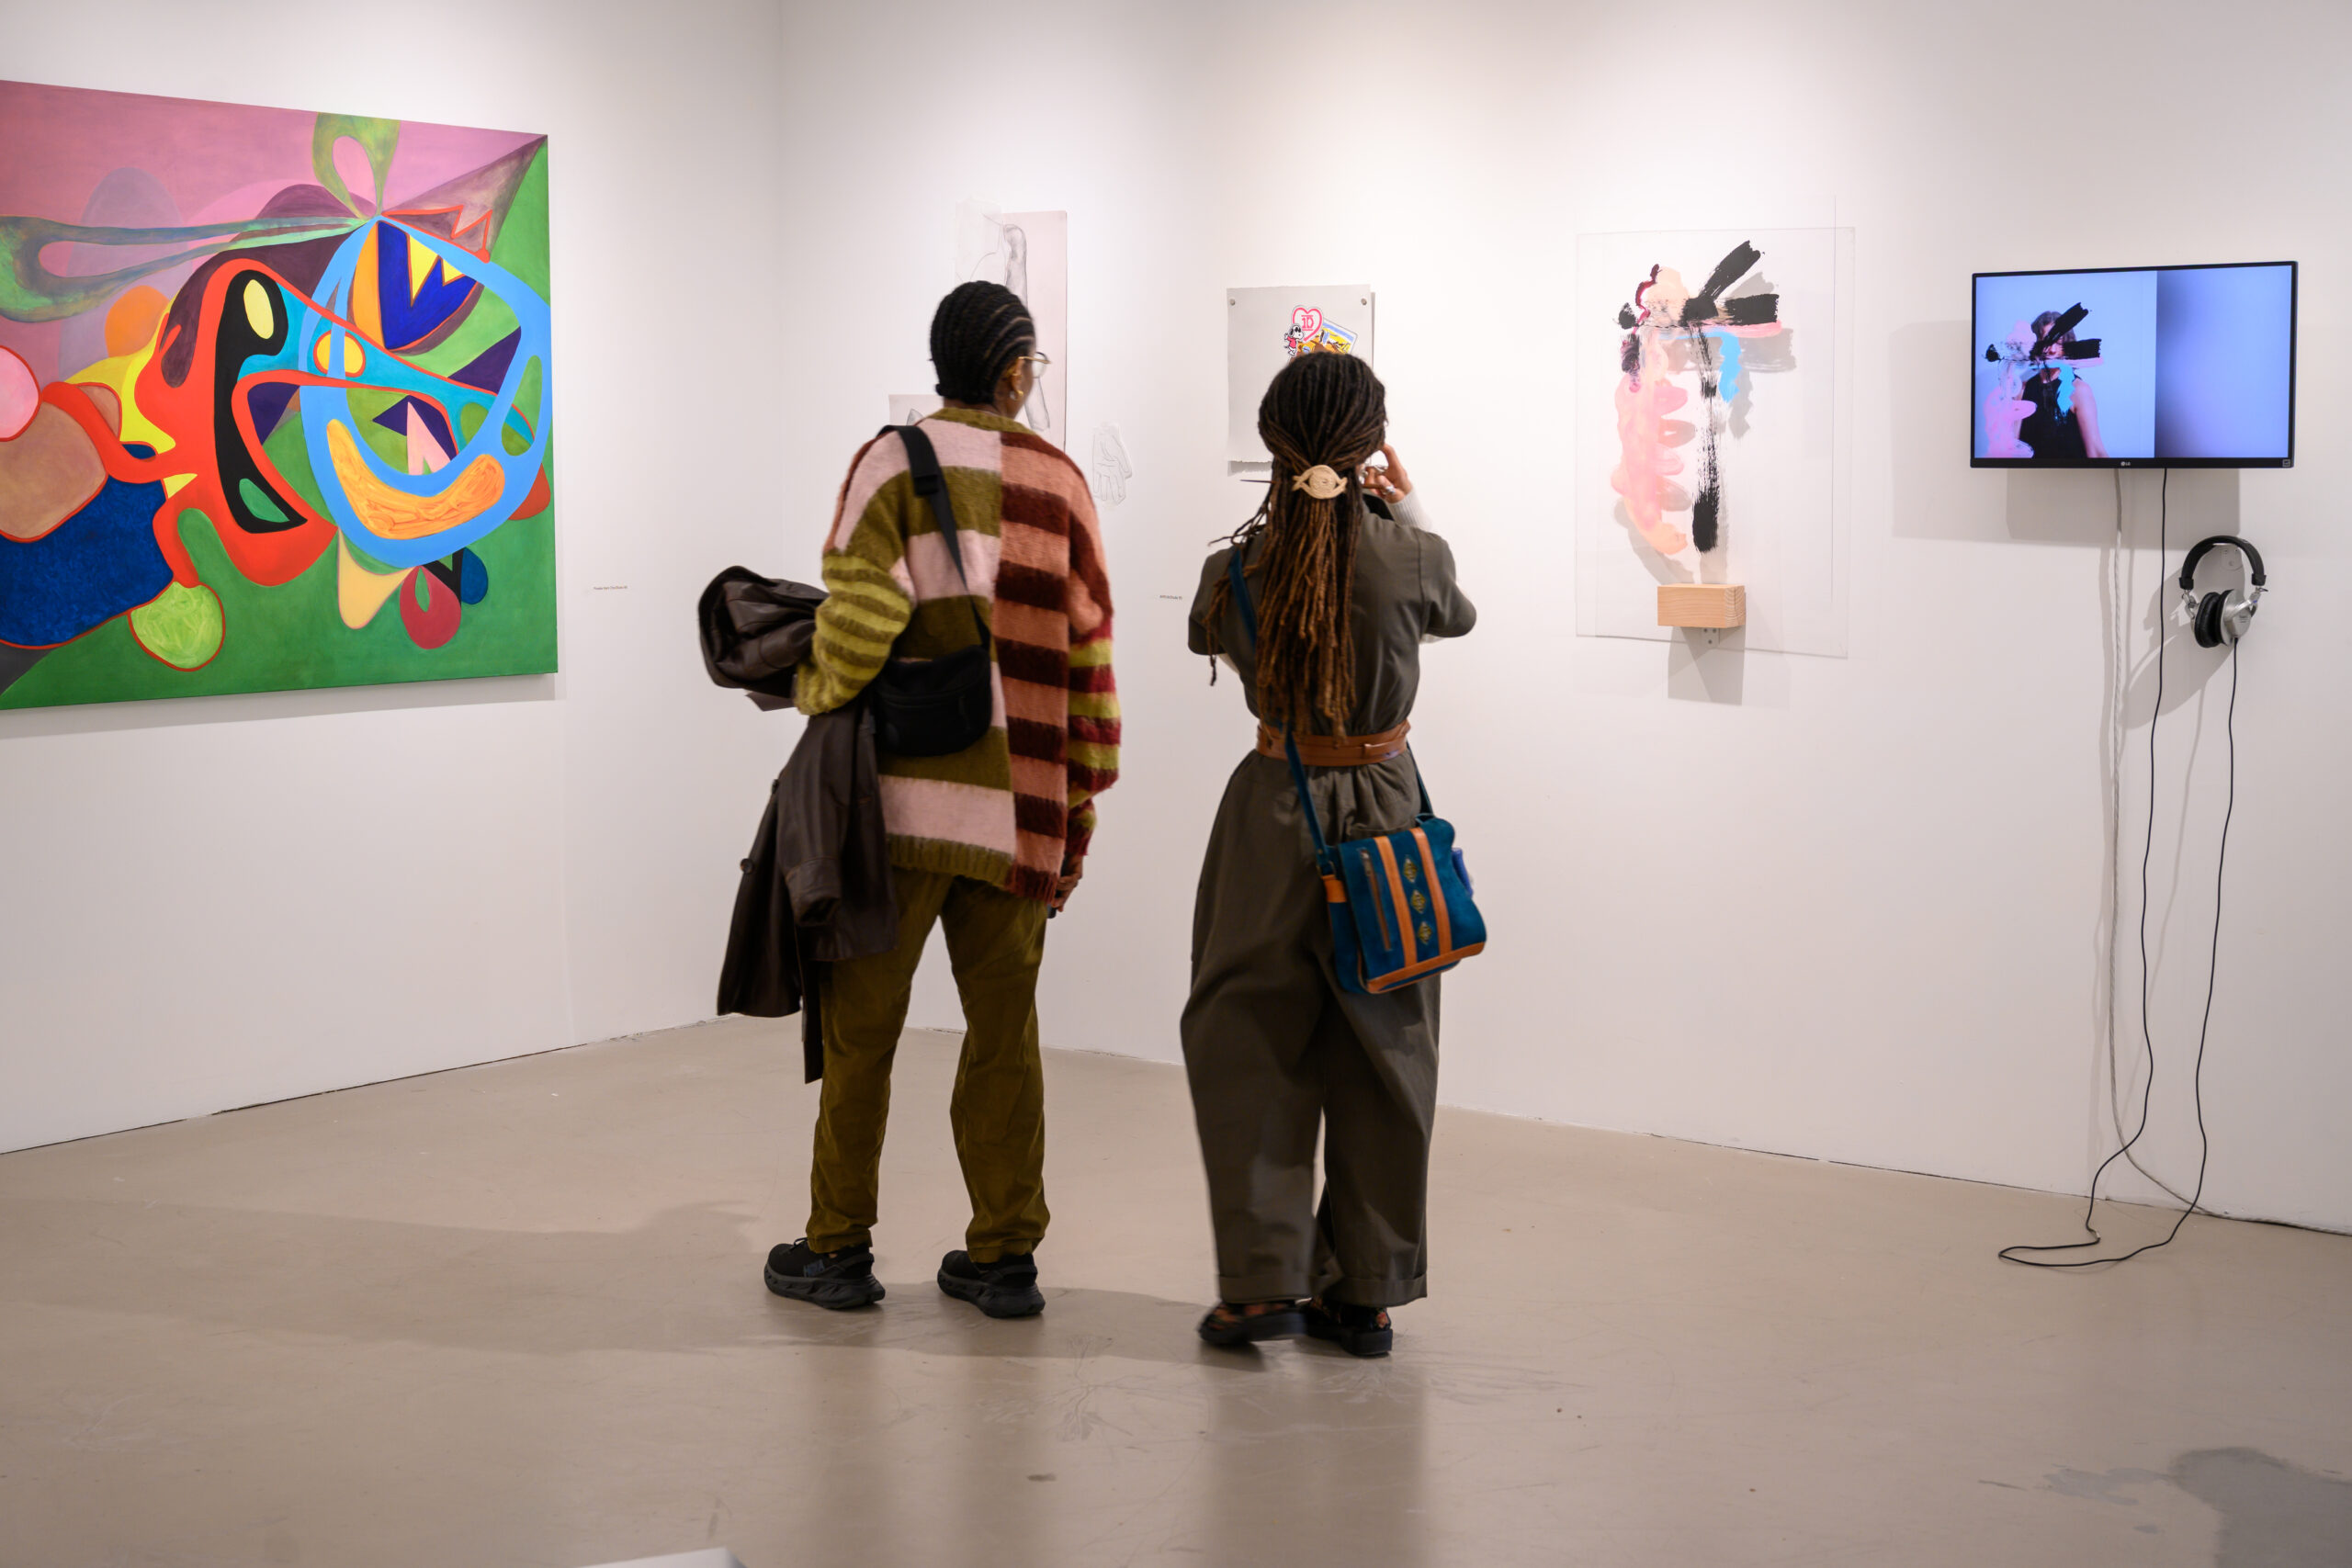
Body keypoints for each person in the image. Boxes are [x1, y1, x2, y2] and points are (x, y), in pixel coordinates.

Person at [763, 281, 1119, 1319]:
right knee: (1003, 1040)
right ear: (1013, 372)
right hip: (1018, 820)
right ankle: (1004, 1257)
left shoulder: (888, 463)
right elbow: (1092, 661)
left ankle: (837, 1249)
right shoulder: (1062, 482)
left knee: (861, 1036)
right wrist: (1077, 810)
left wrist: (813, 695)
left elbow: (859, 621)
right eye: (1033, 367)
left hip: (899, 821)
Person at [1181, 352, 1475, 1357]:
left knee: (1244, 1038)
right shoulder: (1410, 558)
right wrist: (1405, 504)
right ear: (1370, 449)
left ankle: (1260, 1286)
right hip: (1385, 812)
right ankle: (1365, 1290)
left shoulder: (1233, 571)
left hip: (1272, 801)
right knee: (1386, 1046)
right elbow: (1453, 610)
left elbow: (1205, 631)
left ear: (1271, 445)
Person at [2014, 310, 2107, 459]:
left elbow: (2095, 453)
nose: (2052, 350)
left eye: (2058, 343)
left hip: (2072, 480)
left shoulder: (2079, 390)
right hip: (2030, 479)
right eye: (2047, 342)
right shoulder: (2022, 390)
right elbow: (2012, 449)